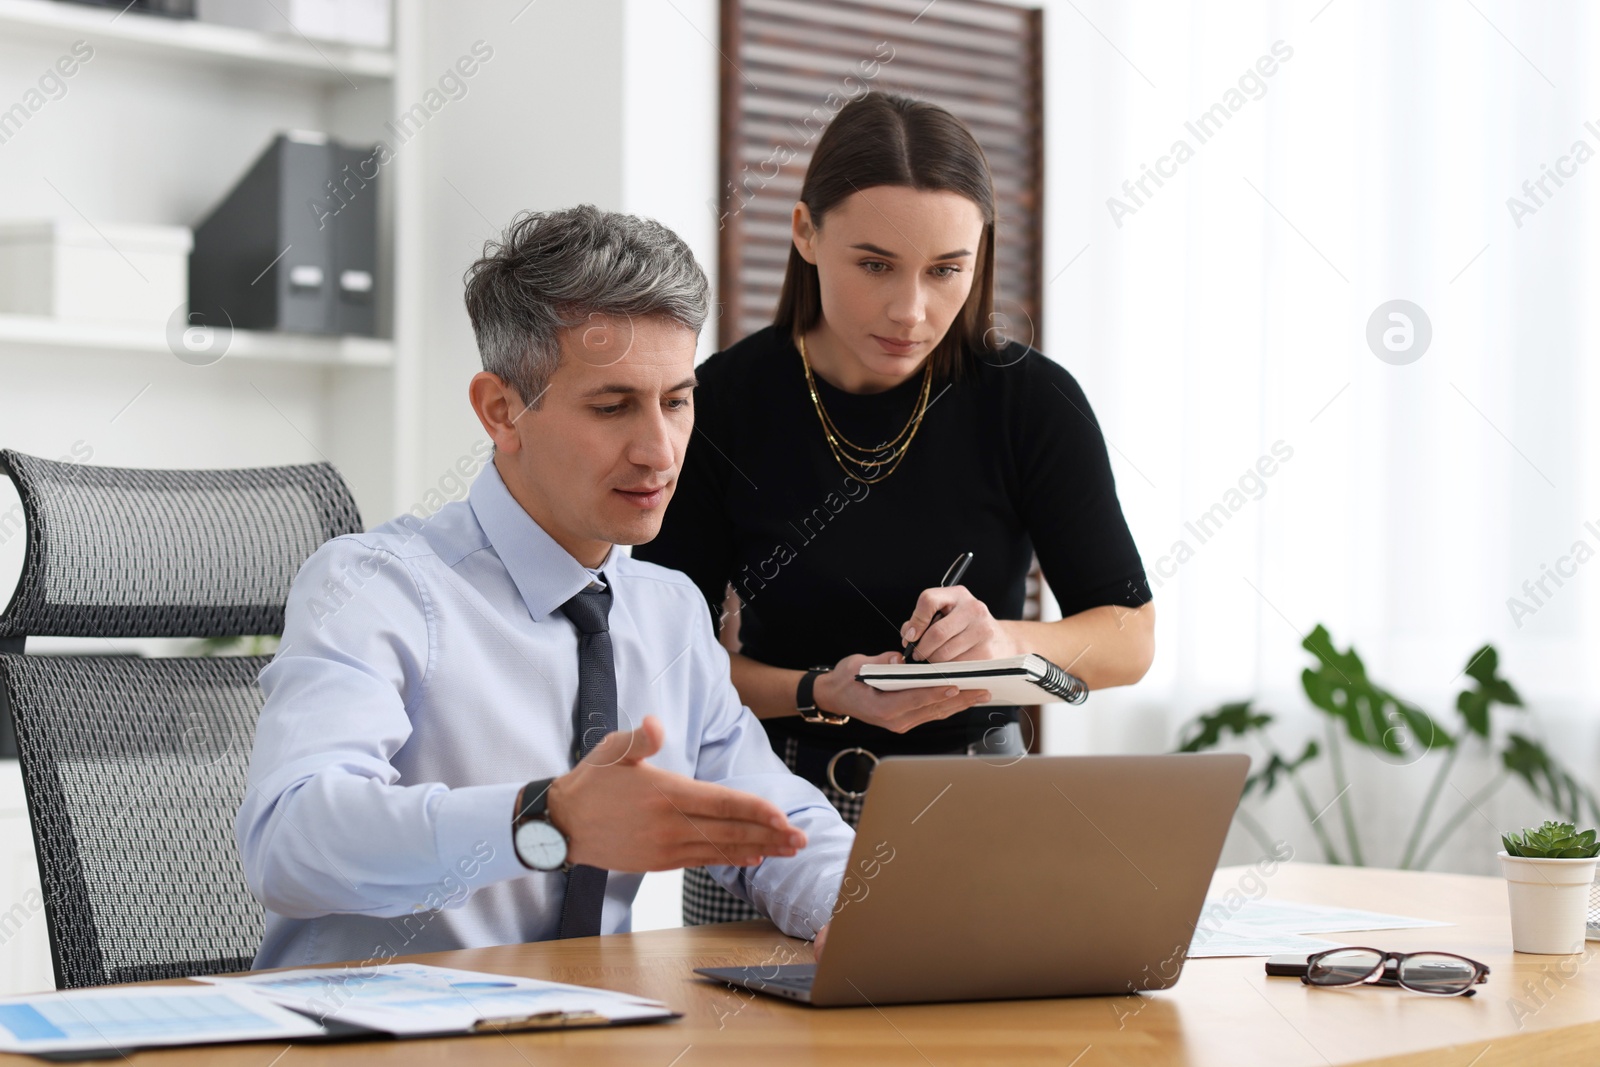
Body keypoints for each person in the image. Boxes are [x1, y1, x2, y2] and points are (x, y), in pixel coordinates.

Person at [236, 205, 854, 969]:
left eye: (677, 400)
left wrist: (857, 907)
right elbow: (289, 839)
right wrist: (545, 818)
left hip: (589, 1030)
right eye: (613, 405)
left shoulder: (667, 612)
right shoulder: (377, 587)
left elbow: (772, 818)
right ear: (502, 411)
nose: (659, 450)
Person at [634, 93, 1155, 926]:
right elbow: (663, 665)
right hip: (770, 808)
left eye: (946, 269)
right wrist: (821, 689)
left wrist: (1006, 644)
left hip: (980, 807)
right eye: (875, 264)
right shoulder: (721, 403)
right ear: (805, 233)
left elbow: (1129, 638)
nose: (912, 310)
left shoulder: (1031, 403)